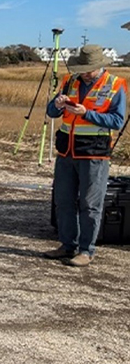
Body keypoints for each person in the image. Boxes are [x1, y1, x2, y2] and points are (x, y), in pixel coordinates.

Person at [45, 44, 127, 267]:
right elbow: (51, 112)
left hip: (94, 154)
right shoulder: (69, 81)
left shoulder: (115, 85)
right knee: (63, 201)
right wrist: (58, 104)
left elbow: (117, 121)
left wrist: (87, 114)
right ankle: (67, 245)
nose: (84, 73)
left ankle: (86, 250)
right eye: (82, 68)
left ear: (99, 67)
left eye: (88, 69)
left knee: (90, 205)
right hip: (67, 151)